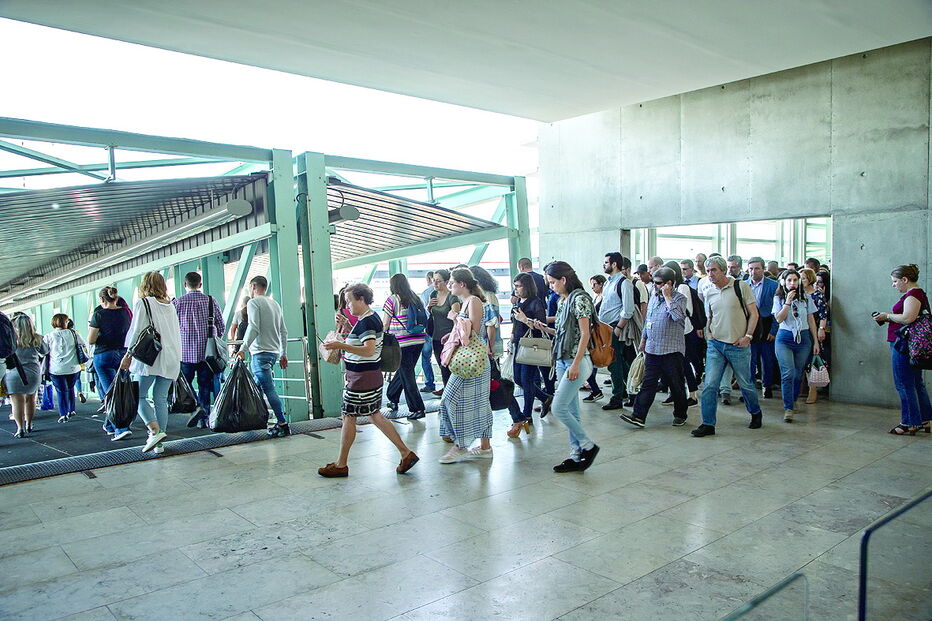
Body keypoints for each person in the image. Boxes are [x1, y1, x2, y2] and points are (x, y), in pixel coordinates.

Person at [318, 283, 419, 477]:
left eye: (349, 300)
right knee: (374, 415)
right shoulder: (369, 318)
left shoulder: (367, 322)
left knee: (349, 416)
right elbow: (364, 342)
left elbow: (369, 350)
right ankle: (406, 453)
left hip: (361, 379)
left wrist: (341, 345)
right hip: (369, 375)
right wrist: (348, 327)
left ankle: (341, 464)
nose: (347, 305)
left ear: (361, 299)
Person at [529, 261, 600, 472]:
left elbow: (585, 334)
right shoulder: (563, 300)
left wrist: (576, 364)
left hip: (576, 360)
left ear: (564, 279)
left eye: (552, 282)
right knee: (571, 410)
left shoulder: (579, 299)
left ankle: (588, 446)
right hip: (562, 359)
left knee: (558, 407)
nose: (551, 286)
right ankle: (575, 456)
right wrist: (542, 327)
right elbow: (561, 333)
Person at [692, 256, 764, 437]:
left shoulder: (741, 287)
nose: (710, 274)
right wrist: (708, 333)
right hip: (716, 344)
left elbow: (754, 314)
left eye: (713, 270)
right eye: (708, 271)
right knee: (709, 385)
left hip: (738, 345)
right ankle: (708, 423)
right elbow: (710, 316)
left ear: (723, 270)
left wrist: (747, 336)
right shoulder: (709, 291)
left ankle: (755, 412)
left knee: (746, 384)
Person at [120, 272, 182, 454]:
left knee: (138, 396)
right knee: (160, 399)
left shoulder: (144, 303)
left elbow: (137, 331)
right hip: (171, 357)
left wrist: (128, 355)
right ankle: (159, 443)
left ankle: (154, 431)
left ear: (145, 285)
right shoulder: (170, 305)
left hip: (150, 358)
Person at [437, 268, 495, 463]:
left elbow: (473, 331)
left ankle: (461, 445)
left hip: (472, 361)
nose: (449, 285)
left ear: (462, 284)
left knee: (450, 398)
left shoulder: (474, 301)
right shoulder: (465, 303)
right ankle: (484, 446)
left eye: (452, 282)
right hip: (470, 360)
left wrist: (455, 318)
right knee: (479, 402)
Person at [620, 266, 689, 428]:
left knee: (676, 384)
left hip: (671, 351)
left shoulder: (679, 299)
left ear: (669, 283)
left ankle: (680, 413)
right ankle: (638, 416)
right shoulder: (653, 297)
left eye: (658, 283)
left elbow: (677, 316)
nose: (655, 285)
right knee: (648, 384)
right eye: (655, 282)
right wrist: (643, 340)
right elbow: (648, 320)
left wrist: (667, 296)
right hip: (652, 349)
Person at [874, 264, 931, 435]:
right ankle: (924, 418)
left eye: (895, 281)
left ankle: (909, 422)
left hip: (903, 344)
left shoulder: (913, 295)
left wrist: (887, 316)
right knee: (915, 383)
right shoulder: (916, 294)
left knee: (904, 383)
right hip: (910, 344)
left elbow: (908, 317)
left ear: (905, 280)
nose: (894, 285)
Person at [235, 276, 290, 436]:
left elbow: (254, 327)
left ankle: (282, 423)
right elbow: (283, 331)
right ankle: (254, 418)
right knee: (255, 387)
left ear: (253, 286)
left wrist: (243, 348)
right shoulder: (275, 304)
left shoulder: (253, 303)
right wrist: (283, 353)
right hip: (273, 353)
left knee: (268, 388)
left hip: (259, 353)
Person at [172, 272, 226, 428]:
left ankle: (197, 406)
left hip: (185, 352)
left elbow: (172, 328)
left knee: (185, 384)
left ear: (185, 284)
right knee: (205, 384)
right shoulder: (210, 301)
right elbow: (221, 326)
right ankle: (205, 418)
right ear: (200, 284)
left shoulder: (178, 303)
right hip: (207, 353)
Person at [772, 270, 820, 422]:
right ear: (783, 282)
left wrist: (816, 341)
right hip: (785, 338)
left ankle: (793, 399)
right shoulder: (778, 298)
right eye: (789, 280)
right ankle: (788, 408)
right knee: (788, 373)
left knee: (798, 373)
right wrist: (787, 302)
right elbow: (779, 319)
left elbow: (811, 319)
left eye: (795, 280)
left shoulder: (806, 298)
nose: (792, 283)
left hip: (803, 338)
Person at [89, 286, 133, 440]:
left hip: (104, 356)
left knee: (112, 393)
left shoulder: (98, 315)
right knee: (120, 390)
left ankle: (121, 428)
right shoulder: (126, 313)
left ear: (102, 299)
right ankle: (109, 424)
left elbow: (91, 340)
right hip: (124, 355)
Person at [383, 273, 428, 420]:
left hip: (402, 342)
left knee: (407, 375)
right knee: (405, 371)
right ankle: (392, 396)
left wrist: (381, 338)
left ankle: (417, 408)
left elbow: (385, 323)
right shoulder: (415, 297)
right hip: (419, 340)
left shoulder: (392, 300)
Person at [510, 272, 550, 437]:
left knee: (527, 379)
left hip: (532, 345)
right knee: (518, 378)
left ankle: (526, 415)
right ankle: (545, 397)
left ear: (526, 286)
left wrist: (525, 319)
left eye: (518, 286)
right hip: (519, 343)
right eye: (515, 286)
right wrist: (512, 334)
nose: (516, 289)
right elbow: (515, 321)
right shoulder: (519, 301)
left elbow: (542, 326)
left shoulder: (536, 302)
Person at [599, 252, 636, 411]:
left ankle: (618, 396)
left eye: (606, 262)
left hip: (614, 327)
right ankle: (631, 392)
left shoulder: (624, 283)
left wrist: (618, 328)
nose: (604, 265)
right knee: (617, 362)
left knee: (614, 363)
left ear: (614, 264)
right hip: (606, 327)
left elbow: (628, 310)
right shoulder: (609, 282)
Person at [5, 314, 48, 437]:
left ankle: (20, 428)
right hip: (33, 373)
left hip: (14, 373)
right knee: (30, 400)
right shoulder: (37, 338)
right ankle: (29, 424)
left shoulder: (11, 339)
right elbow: (45, 351)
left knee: (16, 402)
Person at [746, 257, 779, 399]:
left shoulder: (773, 285)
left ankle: (767, 385)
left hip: (766, 324)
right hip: (750, 326)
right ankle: (750, 387)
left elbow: (778, 309)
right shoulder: (744, 285)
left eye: (757, 268)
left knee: (767, 358)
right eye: (751, 268)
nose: (753, 271)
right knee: (750, 359)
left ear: (763, 269)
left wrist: (773, 330)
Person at [45, 313, 86, 424]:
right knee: (70, 387)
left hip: (56, 368)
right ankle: (71, 409)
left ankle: (63, 414)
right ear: (65, 322)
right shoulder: (74, 333)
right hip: (73, 368)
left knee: (61, 391)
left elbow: (43, 351)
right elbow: (83, 344)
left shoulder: (49, 336)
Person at [427, 269, 461, 395]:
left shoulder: (452, 297)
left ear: (447, 282)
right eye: (433, 280)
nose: (435, 284)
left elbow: (457, 319)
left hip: (449, 337)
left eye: (438, 281)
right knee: (442, 365)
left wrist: (454, 337)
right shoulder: (433, 295)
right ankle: (446, 389)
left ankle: (451, 392)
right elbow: (431, 314)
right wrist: (429, 306)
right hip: (436, 336)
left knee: (450, 366)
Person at [801, 267, 828, 404]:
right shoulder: (798, 294)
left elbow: (823, 314)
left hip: (814, 330)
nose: (801, 281)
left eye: (804, 278)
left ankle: (813, 389)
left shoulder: (817, 295)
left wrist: (821, 329)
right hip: (800, 330)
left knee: (812, 359)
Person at [580, 274, 606, 400]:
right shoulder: (596, 297)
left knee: (592, 361)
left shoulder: (604, 298)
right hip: (593, 332)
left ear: (601, 284)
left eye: (594, 284)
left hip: (598, 333)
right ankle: (594, 388)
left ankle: (595, 389)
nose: (592, 288)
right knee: (592, 362)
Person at [470, 265, 505, 358]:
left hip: (488, 344)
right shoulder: (480, 296)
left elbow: (491, 324)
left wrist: (489, 346)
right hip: (483, 343)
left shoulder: (488, 296)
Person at [419, 271, 436, 394]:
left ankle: (430, 384)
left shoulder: (425, 293)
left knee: (426, 358)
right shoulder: (447, 292)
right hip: (442, 330)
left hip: (429, 330)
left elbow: (424, 313)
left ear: (429, 279)